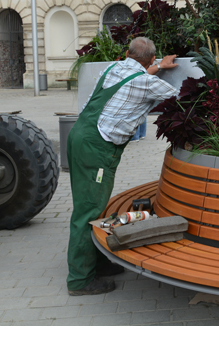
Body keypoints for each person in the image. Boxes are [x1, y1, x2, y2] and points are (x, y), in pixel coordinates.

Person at [66, 37, 179, 296]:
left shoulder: (113, 68)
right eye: (153, 62)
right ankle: (80, 280)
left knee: (94, 203)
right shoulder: (146, 82)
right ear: (150, 59)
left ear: (127, 53)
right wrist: (160, 69)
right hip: (97, 148)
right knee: (87, 210)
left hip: (80, 135)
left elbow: (136, 76)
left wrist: (158, 66)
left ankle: (97, 263)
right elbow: (180, 97)